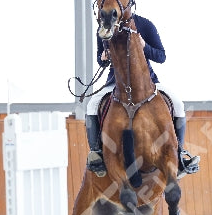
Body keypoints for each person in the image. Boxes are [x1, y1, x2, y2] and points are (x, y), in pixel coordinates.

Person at [85, 11, 200, 180]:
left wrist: (144, 46)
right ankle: (97, 154)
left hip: (147, 81)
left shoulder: (145, 25)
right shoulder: (104, 28)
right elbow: (100, 60)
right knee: (92, 104)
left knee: (178, 103)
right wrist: (103, 57)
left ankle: (180, 153)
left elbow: (161, 56)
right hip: (116, 82)